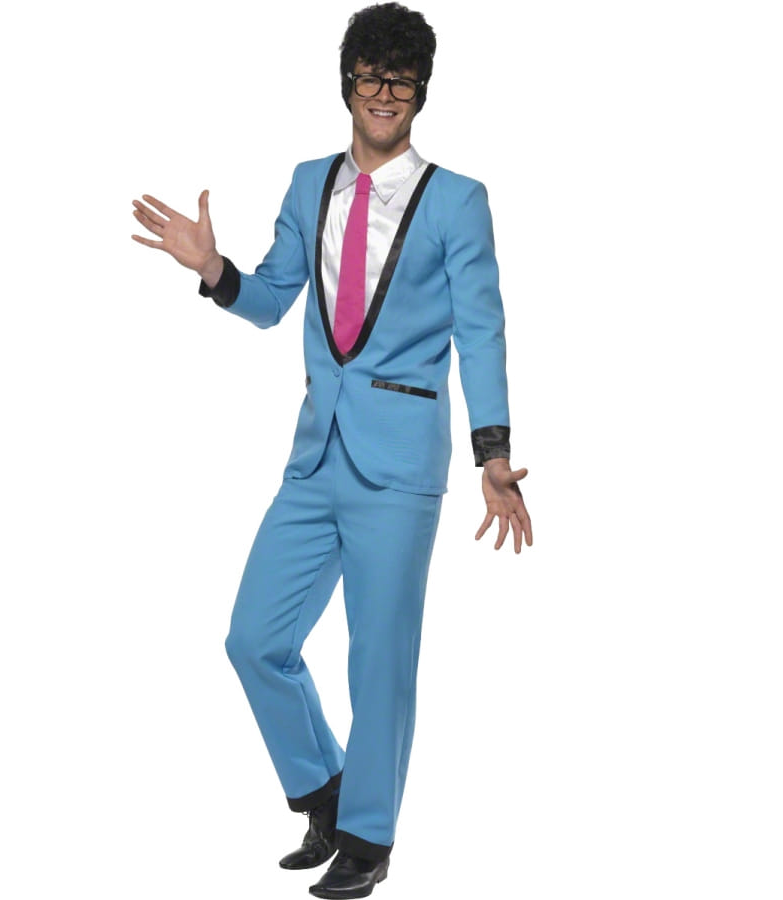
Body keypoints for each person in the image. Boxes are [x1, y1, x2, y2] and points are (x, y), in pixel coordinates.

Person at [132, 4, 532, 896]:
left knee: (378, 659)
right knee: (254, 639)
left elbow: (483, 331)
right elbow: (273, 298)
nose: (385, 93)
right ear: (347, 81)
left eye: (402, 79)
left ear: (421, 91)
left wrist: (493, 453)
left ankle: (369, 837)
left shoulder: (458, 200)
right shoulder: (309, 182)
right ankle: (324, 790)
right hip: (315, 460)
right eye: (371, 75)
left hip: (401, 466)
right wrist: (214, 271)